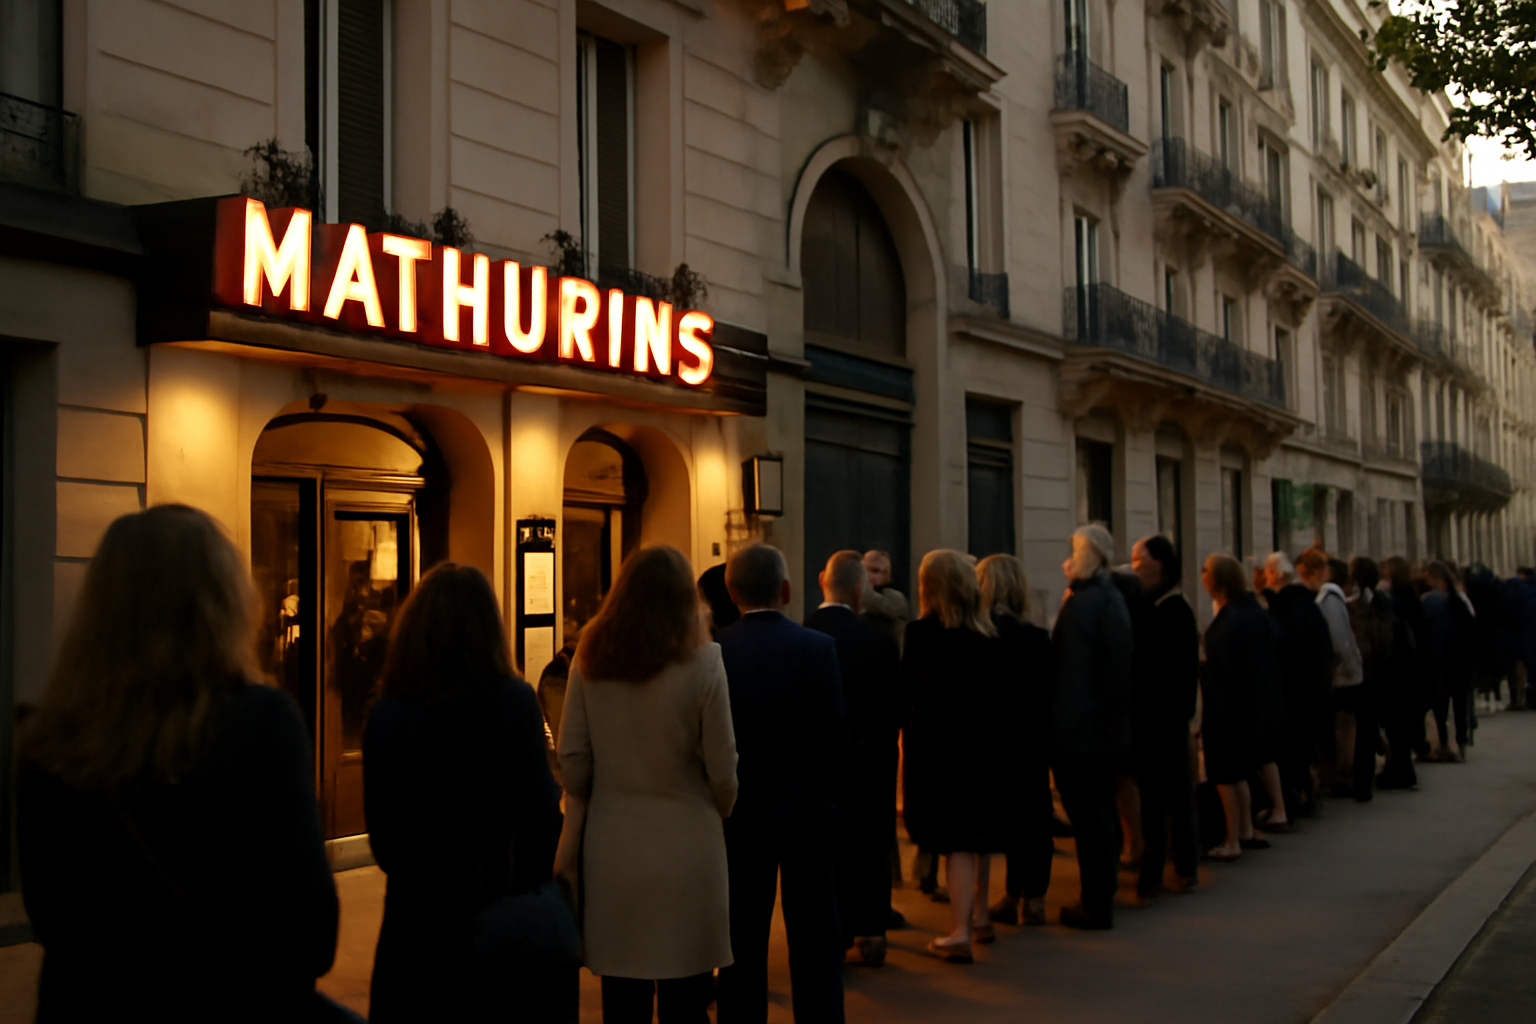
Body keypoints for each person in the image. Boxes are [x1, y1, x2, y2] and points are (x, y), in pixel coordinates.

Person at [17, 505, 341, 1022]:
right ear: (225, 603)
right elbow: (309, 937)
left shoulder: (46, 742)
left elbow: (53, 916)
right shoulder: (260, 722)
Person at [366, 563, 570, 1022]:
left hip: (413, 930)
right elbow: (540, 821)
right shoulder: (512, 700)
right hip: (498, 921)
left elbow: (383, 841)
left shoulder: (387, 711)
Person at [555, 546, 739, 1023]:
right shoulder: (705, 662)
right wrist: (718, 806)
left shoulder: (589, 657)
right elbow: (723, 766)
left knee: (623, 999)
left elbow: (572, 757)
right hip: (689, 843)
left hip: (614, 843)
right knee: (688, 1001)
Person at [715, 544, 846, 1023]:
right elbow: (834, 733)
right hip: (807, 810)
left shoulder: (716, 651)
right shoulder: (817, 648)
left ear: (730, 592)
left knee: (742, 934)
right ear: (787, 590)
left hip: (741, 814)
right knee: (814, 933)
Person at [899, 550, 1013, 961]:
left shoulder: (921, 634)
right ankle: (978, 915)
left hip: (938, 750)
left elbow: (907, 698)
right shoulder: (989, 637)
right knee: (975, 836)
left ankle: (959, 931)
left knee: (957, 843)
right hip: (984, 748)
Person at [805, 550, 901, 967]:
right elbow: (894, 710)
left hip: (818, 768)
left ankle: (832, 930)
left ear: (823, 579)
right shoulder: (878, 641)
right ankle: (873, 928)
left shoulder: (803, 635)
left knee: (825, 852)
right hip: (870, 762)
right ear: (861, 588)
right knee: (872, 842)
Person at [1051, 524, 1134, 929]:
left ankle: (1096, 901)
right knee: (1098, 816)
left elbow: (1070, 673)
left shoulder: (1085, 603)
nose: (1066, 561)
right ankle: (1102, 894)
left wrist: (1066, 730)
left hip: (1081, 733)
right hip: (1103, 729)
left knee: (1090, 818)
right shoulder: (1110, 597)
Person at [976, 554, 1056, 927]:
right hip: (1031, 738)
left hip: (991, 740)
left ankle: (1006, 894)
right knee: (1034, 817)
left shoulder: (979, 638)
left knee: (999, 817)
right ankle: (1034, 897)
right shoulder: (1037, 639)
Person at [1127, 536, 1202, 899]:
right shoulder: (1149, 604)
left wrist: (1183, 716)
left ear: (1158, 563)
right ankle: (1155, 868)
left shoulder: (1172, 608)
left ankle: (1183, 866)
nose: (1133, 566)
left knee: (1173, 795)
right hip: (1150, 716)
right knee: (1154, 798)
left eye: (1137, 559)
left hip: (1165, 717)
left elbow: (1178, 670)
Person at [1199, 553, 1285, 861]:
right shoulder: (1249, 612)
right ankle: (1244, 829)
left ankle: (1232, 838)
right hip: (1245, 703)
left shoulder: (1234, 618)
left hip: (1228, 706)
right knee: (1237, 773)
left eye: (1206, 571)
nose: (1202, 576)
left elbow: (1230, 666)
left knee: (1225, 774)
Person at [1262, 552, 1335, 817]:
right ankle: (1307, 791)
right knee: (1305, 743)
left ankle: (1293, 796)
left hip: (1291, 690)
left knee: (1290, 746)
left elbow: (1280, 651)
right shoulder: (1310, 607)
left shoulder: (1284, 611)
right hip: (1314, 686)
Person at [1296, 547, 1364, 796]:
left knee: (1342, 726)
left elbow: (1338, 639)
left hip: (1338, 674)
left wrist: (1340, 666)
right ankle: (1340, 772)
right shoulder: (1324, 597)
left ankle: (1341, 773)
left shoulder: (1327, 597)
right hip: (1337, 672)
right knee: (1340, 726)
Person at [1344, 557, 1396, 803]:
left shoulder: (1358, 606)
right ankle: (1364, 776)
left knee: (1363, 725)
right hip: (1378, 672)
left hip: (1367, 672)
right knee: (1367, 725)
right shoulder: (1379, 601)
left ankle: (1361, 780)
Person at [1379, 556, 1427, 789]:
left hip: (1397, 669)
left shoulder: (1396, 602)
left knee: (1396, 724)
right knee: (1403, 723)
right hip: (1412, 668)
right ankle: (1401, 768)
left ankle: (1399, 770)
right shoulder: (1412, 598)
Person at [1422, 560, 1476, 763]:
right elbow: (1471, 629)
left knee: (1440, 704)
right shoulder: (1460, 600)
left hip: (1440, 658)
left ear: (1436, 579)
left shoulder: (1430, 601)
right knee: (1459, 703)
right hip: (1459, 660)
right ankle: (1461, 743)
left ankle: (1444, 743)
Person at [861, 549, 911, 653]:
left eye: (875, 571)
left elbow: (884, 606)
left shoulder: (895, 597)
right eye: (865, 570)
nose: (869, 575)